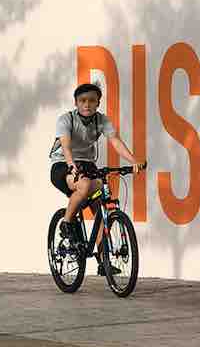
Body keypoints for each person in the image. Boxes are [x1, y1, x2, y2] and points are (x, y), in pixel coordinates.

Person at [49, 83, 145, 247]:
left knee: (100, 200)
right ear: (76, 103)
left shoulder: (101, 120)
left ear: (98, 103)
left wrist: (133, 161)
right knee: (85, 185)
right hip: (63, 164)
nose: (87, 104)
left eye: (92, 100)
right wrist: (71, 165)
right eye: (82, 100)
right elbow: (66, 146)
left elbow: (115, 141)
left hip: (87, 164)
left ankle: (103, 256)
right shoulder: (66, 120)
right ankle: (66, 223)